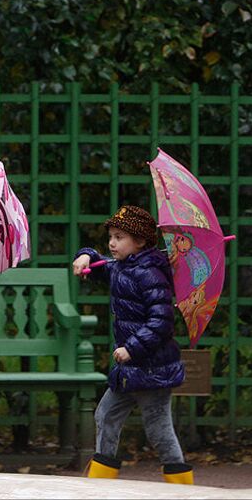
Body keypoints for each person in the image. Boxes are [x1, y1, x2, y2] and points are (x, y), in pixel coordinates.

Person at [71, 205, 194, 484]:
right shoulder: (122, 267)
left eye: (120, 237)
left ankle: (184, 488)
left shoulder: (150, 273)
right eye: (111, 236)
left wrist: (132, 348)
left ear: (139, 241)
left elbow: (161, 321)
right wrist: (85, 256)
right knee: (106, 415)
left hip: (153, 369)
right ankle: (101, 484)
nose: (112, 243)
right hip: (130, 370)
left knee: (159, 430)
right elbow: (100, 264)